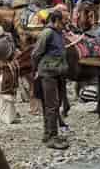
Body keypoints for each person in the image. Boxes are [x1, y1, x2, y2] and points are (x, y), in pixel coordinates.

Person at [31, 10, 69, 150]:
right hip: (48, 73)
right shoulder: (47, 33)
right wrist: (36, 71)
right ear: (56, 20)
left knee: (55, 104)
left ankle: (48, 134)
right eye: (64, 20)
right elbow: (36, 53)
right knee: (52, 105)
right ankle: (52, 137)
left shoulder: (59, 32)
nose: (66, 23)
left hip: (57, 73)